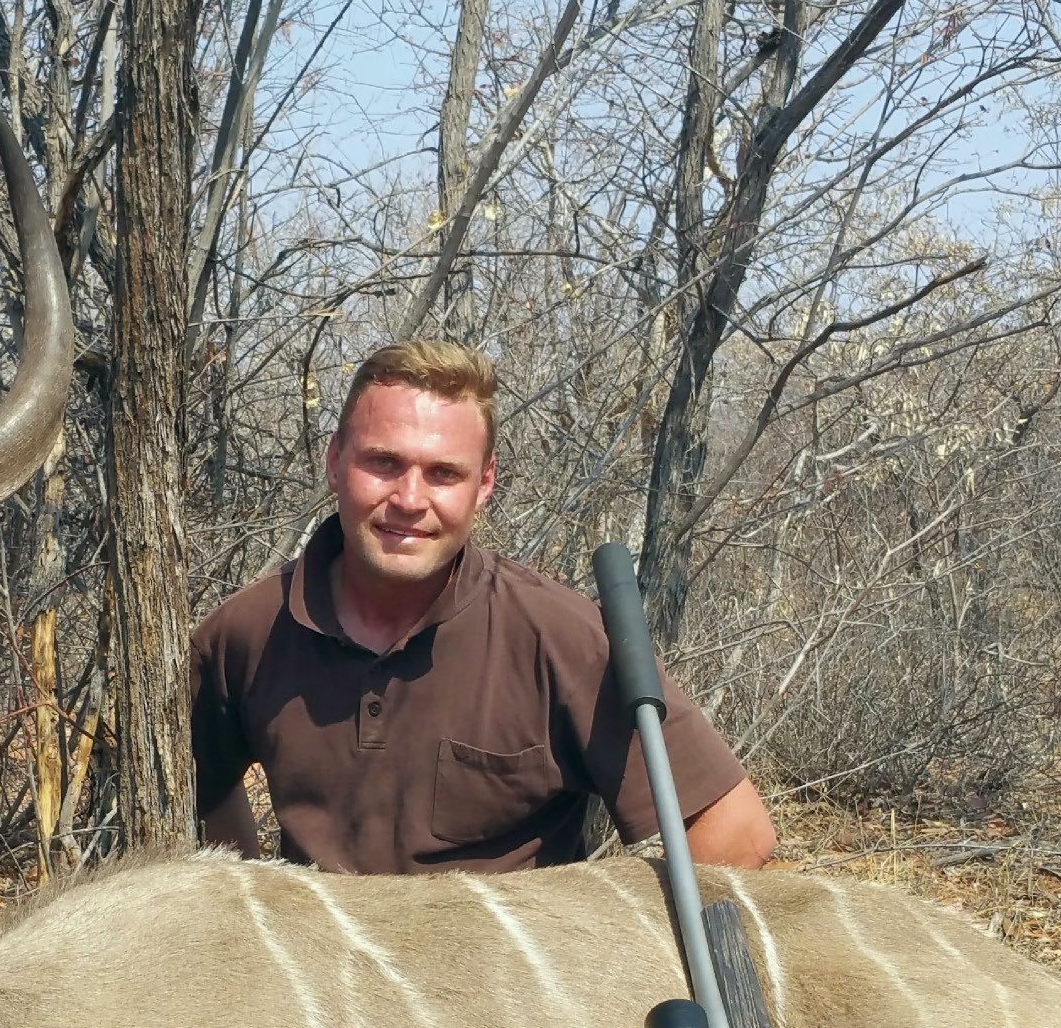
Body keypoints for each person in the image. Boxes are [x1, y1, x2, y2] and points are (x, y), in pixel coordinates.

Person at [190, 341, 776, 875]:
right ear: (335, 461)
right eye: (384, 463)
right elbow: (200, 788)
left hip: (501, 981)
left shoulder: (558, 636)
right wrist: (259, 913)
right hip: (320, 979)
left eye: (444, 473)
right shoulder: (245, 634)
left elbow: (738, 833)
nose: (410, 500)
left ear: (485, 483)